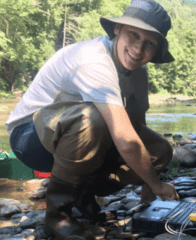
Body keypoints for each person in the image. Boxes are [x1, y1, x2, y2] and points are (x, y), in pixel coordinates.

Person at [6, 0, 179, 239]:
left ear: (156, 49)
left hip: (70, 136)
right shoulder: (94, 59)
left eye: (149, 43)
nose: (138, 49)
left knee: (160, 149)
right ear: (117, 30)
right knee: (93, 120)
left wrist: (149, 182)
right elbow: (126, 140)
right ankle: (58, 215)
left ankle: (81, 196)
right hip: (29, 138)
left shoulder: (138, 72)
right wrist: (158, 185)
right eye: (133, 35)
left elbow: (137, 129)